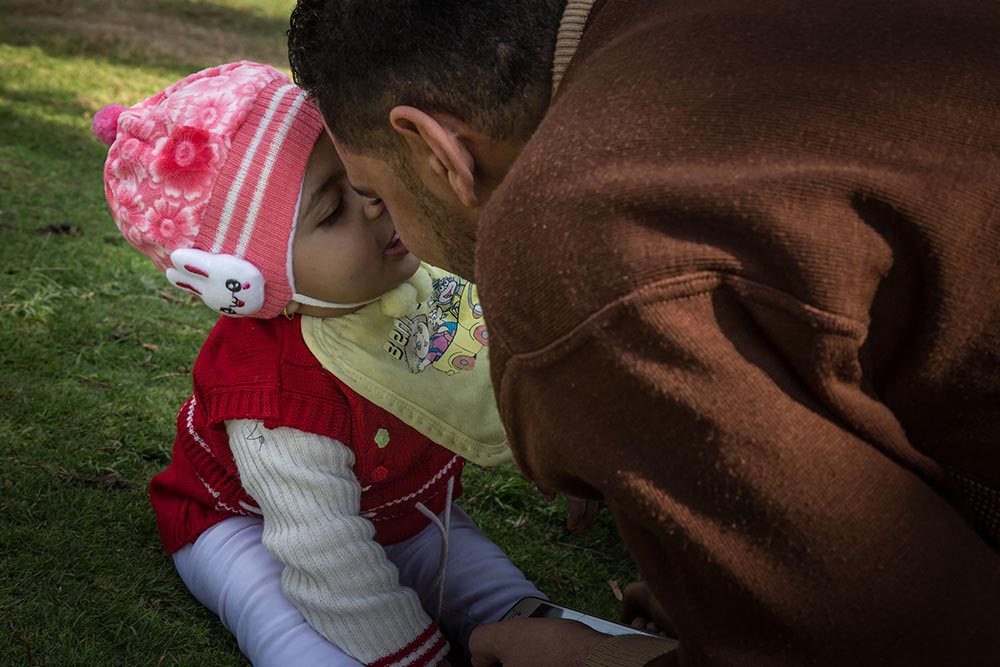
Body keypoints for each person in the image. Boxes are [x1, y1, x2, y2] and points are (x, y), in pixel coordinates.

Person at [286, 1, 1000, 666]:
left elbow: (898, 639)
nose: (391, 229)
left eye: (378, 195)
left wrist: (614, 658)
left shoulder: (572, 237)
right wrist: (738, 562)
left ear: (437, 149)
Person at [93, 61, 544, 667]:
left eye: (361, 172)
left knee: (496, 590)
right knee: (287, 630)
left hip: (405, 510)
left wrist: (562, 440)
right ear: (250, 283)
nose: (374, 202)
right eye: (332, 211)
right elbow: (325, 554)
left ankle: (540, 629)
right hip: (247, 525)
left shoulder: (414, 273)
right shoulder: (274, 401)